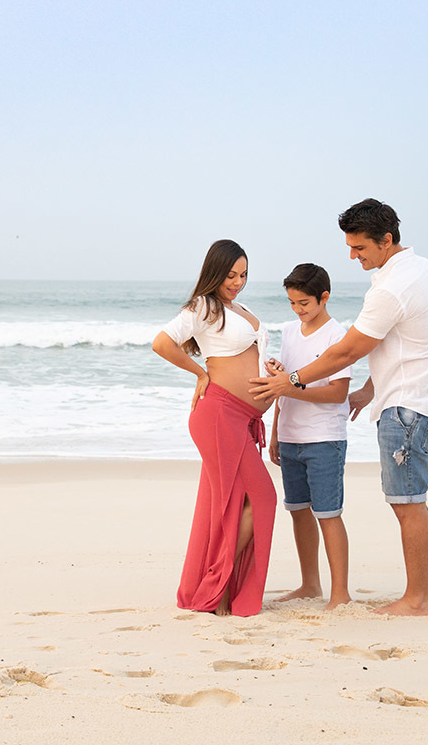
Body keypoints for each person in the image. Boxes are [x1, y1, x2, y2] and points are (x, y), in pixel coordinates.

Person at [251, 199, 428, 616]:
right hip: (425, 400)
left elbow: (347, 351)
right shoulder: (424, 270)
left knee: (407, 503)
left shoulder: (391, 287)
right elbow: (407, 345)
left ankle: (415, 600)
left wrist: (292, 379)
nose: (352, 256)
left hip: (408, 409)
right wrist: (367, 391)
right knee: (414, 498)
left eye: (360, 248)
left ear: (386, 240)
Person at [152, 239, 277, 617]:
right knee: (260, 500)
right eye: (230, 276)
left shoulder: (240, 308)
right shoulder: (204, 306)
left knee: (231, 504)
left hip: (242, 416)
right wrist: (200, 373)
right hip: (219, 415)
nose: (237, 282)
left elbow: (244, 357)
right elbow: (162, 343)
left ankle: (216, 586)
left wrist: (272, 375)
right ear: (214, 273)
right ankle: (216, 586)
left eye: (243, 275)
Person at [266, 263, 352, 610]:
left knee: (328, 513)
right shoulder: (288, 331)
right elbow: (281, 387)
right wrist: (275, 434)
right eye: (291, 302)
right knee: (298, 511)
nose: (298, 309)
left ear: (324, 297)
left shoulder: (338, 335)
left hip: (324, 437)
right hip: (289, 437)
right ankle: (310, 584)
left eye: (303, 302)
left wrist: (291, 386)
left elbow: (337, 393)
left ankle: (341, 593)